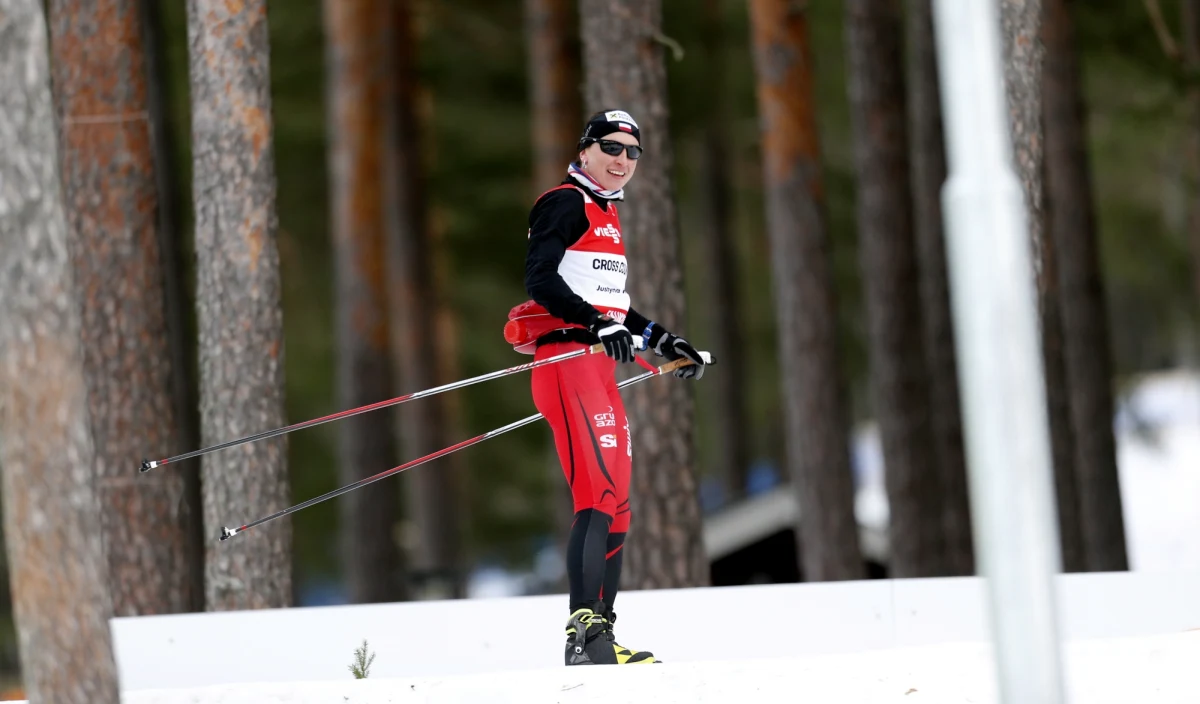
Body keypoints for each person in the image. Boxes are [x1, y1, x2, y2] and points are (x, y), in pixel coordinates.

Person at [504, 109, 708, 666]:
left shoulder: (608, 214)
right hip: (568, 360)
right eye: (611, 148)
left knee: (618, 506)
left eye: (631, 153)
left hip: (599, 367)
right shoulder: (565, 202)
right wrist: (598, 324)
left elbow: (616, 308)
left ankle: (602, 637)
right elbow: (540, 278)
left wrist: (665, 341)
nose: (621, 161)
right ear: (586, 149)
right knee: (594, 496)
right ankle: (583, 635)